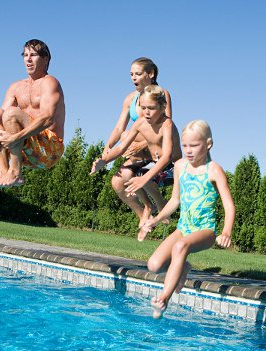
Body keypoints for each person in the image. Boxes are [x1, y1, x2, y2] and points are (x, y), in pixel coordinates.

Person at [140, 120, 235, 319]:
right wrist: (156, 220)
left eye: (194, 145)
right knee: (154, 265)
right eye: (185, 146)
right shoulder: (181, 167)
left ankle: (164, 298)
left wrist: (226, 232)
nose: (188, 151)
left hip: (205, 231)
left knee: (180, 246)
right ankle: (184, 266)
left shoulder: (213, 170)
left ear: (208, 144)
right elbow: (175, 200)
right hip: (184, 228)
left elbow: (229, 205)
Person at [91, 85, 182, 235]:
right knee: (133, 176)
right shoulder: (140, 123)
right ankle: (153, 206)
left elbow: (166, 157)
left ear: (163, 106)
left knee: (142, 177)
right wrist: (104, 160)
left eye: (151, 108)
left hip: (173, 167)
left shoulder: (167, 125)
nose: (146, 112)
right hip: (155, 163)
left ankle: (161, 206)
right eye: (143, 107)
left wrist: (145, 178)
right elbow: (121, 148)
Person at [0, 39, 65, 194]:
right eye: (25, 55)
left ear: (45, 59)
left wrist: (16, 138)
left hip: (49, 150)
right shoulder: (16, 87)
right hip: (27, 151)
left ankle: (15, 173)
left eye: (33, 55)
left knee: (12, 114)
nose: (28, 59)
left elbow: (48, 118)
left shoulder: (50, 82)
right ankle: (3, 172)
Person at [101, 58, 173, 226]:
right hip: (139, 154)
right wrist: (108, 146)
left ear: (151, 74)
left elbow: (166, 127)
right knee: (118, 182)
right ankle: (145, 212)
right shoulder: (130, 99)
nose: (133, 77)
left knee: (127, 137)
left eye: (138, 74)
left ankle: (160, 205)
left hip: (157, 150)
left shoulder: (162, 95)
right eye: (131, 74)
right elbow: (119, 128)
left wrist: (140, 144)